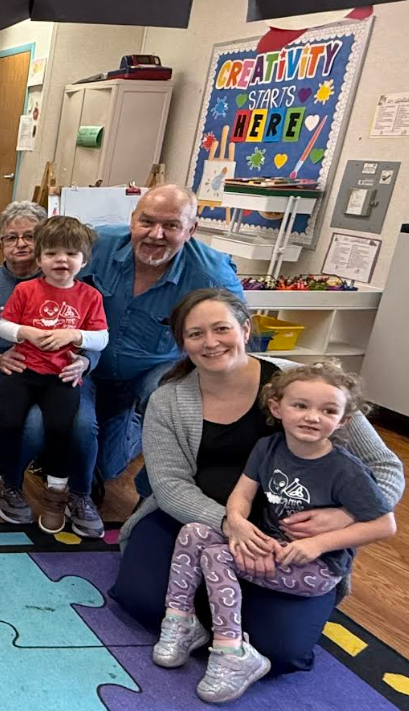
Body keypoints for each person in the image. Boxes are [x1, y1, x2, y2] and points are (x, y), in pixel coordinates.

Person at [110, 289, 404, 675]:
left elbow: (385, 466)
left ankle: (225, 606)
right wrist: (230, 524)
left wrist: (346, 516)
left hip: (289, 538)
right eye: (196, 334)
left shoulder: (304, 387)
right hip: (195, 520)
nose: (210, 342)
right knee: (142, 602)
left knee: (279, 651)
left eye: (221, 329)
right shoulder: (168, 399)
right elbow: (169, 486)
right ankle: (217, 604)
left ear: (246, 330)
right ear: (182, 342)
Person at [154, 361, 394, 703]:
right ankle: (182, 620)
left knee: (217, 556)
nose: (312, 417)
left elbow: (384, 524)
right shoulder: (268, 448)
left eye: (328, 411)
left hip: (316, 566)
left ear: (343, 420)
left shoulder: (346, 470)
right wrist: (237, 523)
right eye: (301, 406)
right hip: (270, 543)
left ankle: (232, 652)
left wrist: (319, 544)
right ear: (277, 408)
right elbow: (242, 495)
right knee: (194, 532)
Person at [0, 201, 102, 535]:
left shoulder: (73, 285)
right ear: (0, 244)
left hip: (63, 376)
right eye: (11, 237)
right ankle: (9, 486)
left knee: (83, 424)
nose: (20, 244)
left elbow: (97, 339)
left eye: (29, 236)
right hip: (2, 378)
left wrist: (85, 362)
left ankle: (78, 494)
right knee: (33, 424)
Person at [81, 185, 244, 487]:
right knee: (81, 455)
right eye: (147, 222)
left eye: (171, 225)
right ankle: (125, 424)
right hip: (90, 367)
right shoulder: (94, 245)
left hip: (155, 371)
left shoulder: (212, 275)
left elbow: (234, 337)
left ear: (191, 229)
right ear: (133, 220)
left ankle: (148, 447)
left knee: (109, 464)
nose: (156, 235)